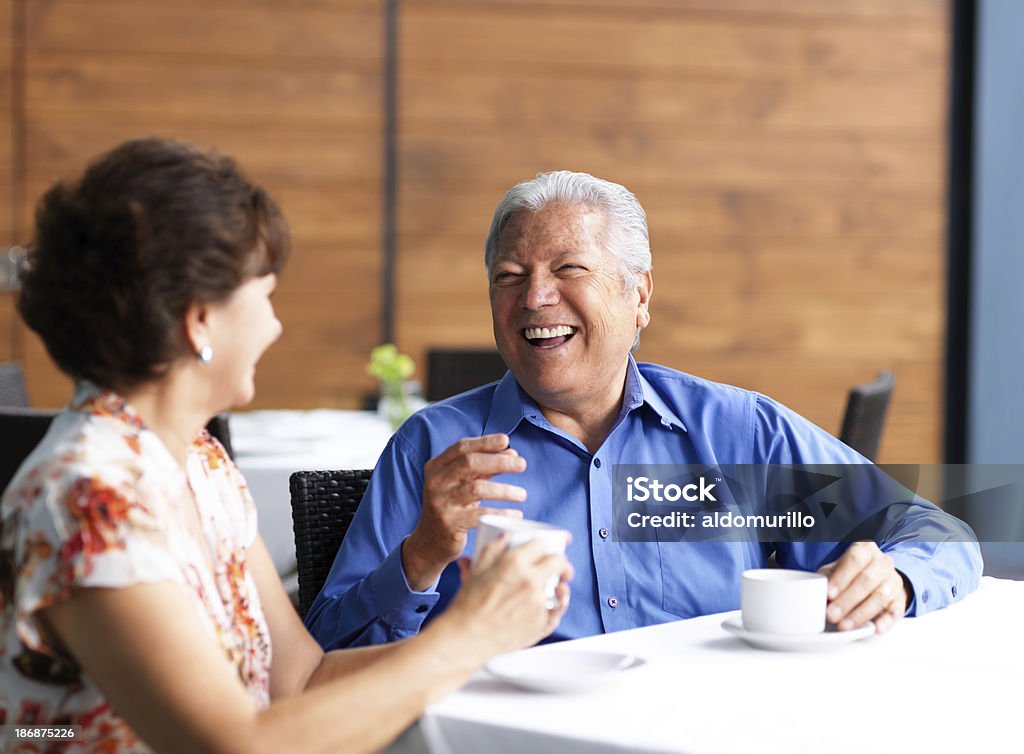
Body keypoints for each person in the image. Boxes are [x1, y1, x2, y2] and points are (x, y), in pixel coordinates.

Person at [0, 138, 573, 754]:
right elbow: (239, 746)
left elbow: (302, 680)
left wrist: (490, 641)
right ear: (199, 321)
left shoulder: (200, 462)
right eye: (264, 294)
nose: (274, 325)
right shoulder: (89, 496)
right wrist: (467, 634)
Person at [305, 169, 982, 651]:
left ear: (639, 297)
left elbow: (940, 536)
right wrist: (423, 553)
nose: (535, 298)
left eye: (569, 270)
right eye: (509, 279)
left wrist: (894, 574)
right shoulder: (436, 446)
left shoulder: (736, 434)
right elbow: (326, 659)